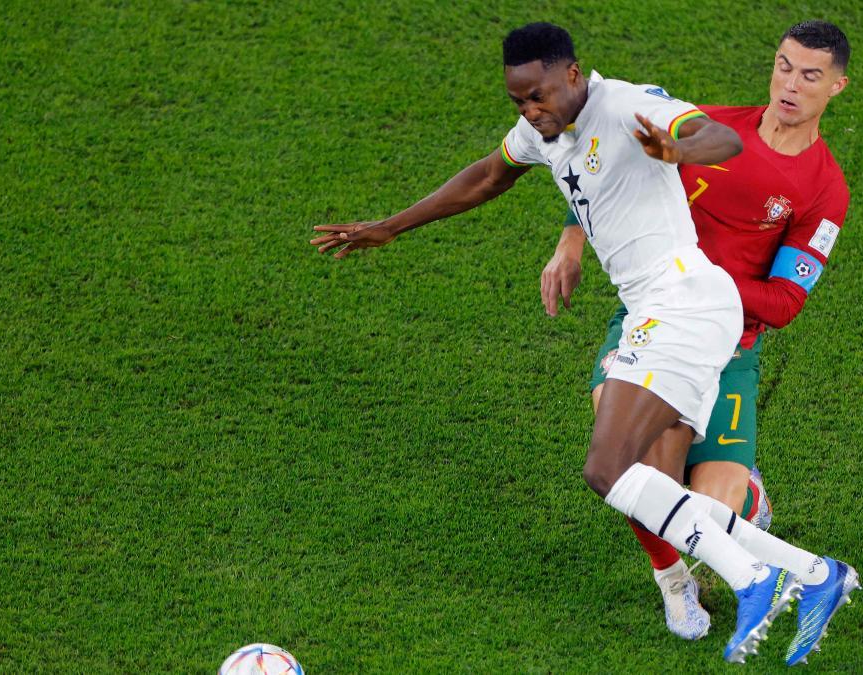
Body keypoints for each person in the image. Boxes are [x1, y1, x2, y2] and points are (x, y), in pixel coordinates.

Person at [310, 22, 809, 662]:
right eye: (518, 101)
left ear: (573, 74)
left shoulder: (628, 104)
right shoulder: (545, 128)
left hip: (685, 303)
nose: (530, 110)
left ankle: (755, 577)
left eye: (538, 95)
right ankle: (800, 573)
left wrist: (679, 153)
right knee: (642, 483)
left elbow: (722, 137)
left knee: (613, 469)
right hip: (657, 309)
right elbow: (489, 176)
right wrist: (391, 226)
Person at [538, 20, 859, 666]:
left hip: (731, 347)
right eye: (783, 66)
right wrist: (571, 237)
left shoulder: (825, 191)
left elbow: (784, 302)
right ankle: (673, 580)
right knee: (627, 467)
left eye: (809, 75)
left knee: (703, 512)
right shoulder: (709, 128)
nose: (790, 85)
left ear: (838, 87)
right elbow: (608, 159)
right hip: (653, 322)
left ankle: (757, 510)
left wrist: (703, 286)